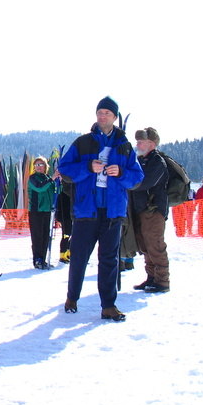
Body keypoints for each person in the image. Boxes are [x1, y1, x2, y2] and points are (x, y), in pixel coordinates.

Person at [57, 96, 143, 322]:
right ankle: (72, 298)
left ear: (114, 117)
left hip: (113, 212)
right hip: (86, 210)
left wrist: (121, 173)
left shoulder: (124, 146)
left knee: (109, 260)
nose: (102, 116)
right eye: (99, 112)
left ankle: (108, 306)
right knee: (79, 258)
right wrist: (88, 166)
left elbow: (137, 177)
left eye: (107, 113)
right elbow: (64, 169)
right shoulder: (82, 142)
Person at [130, 127, 170, 293]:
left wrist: (126, 180)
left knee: (155, 245)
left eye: (141, 141)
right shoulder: (142, 160)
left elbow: (144, 183)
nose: (138, 144)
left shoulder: (157, 162)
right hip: (143, 209)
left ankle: (162, 281)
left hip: (153, 210)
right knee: (146, 245)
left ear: (151, 144)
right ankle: (152, 277)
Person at [27, 156, 56, 270]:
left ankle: (43, 258)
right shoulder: (33, 178)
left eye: (41, 164)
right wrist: (52, 179)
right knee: (37, 236)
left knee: (45, 236)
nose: (38, 167)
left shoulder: (47, 177)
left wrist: (57, 182)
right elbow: (39, 188)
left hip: (47, 210)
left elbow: (53, 190)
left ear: (45, 166)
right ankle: (37, 259)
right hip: (36, 211)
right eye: (37, 165)